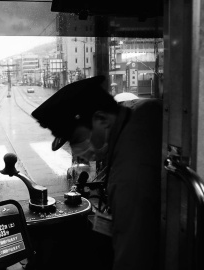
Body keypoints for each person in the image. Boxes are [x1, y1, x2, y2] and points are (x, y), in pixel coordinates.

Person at [31, 76, 162, 270]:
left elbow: (132, 260)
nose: (76, 152)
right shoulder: (140, 110)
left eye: (76, 138)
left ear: (101, 118)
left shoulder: (129, 178)